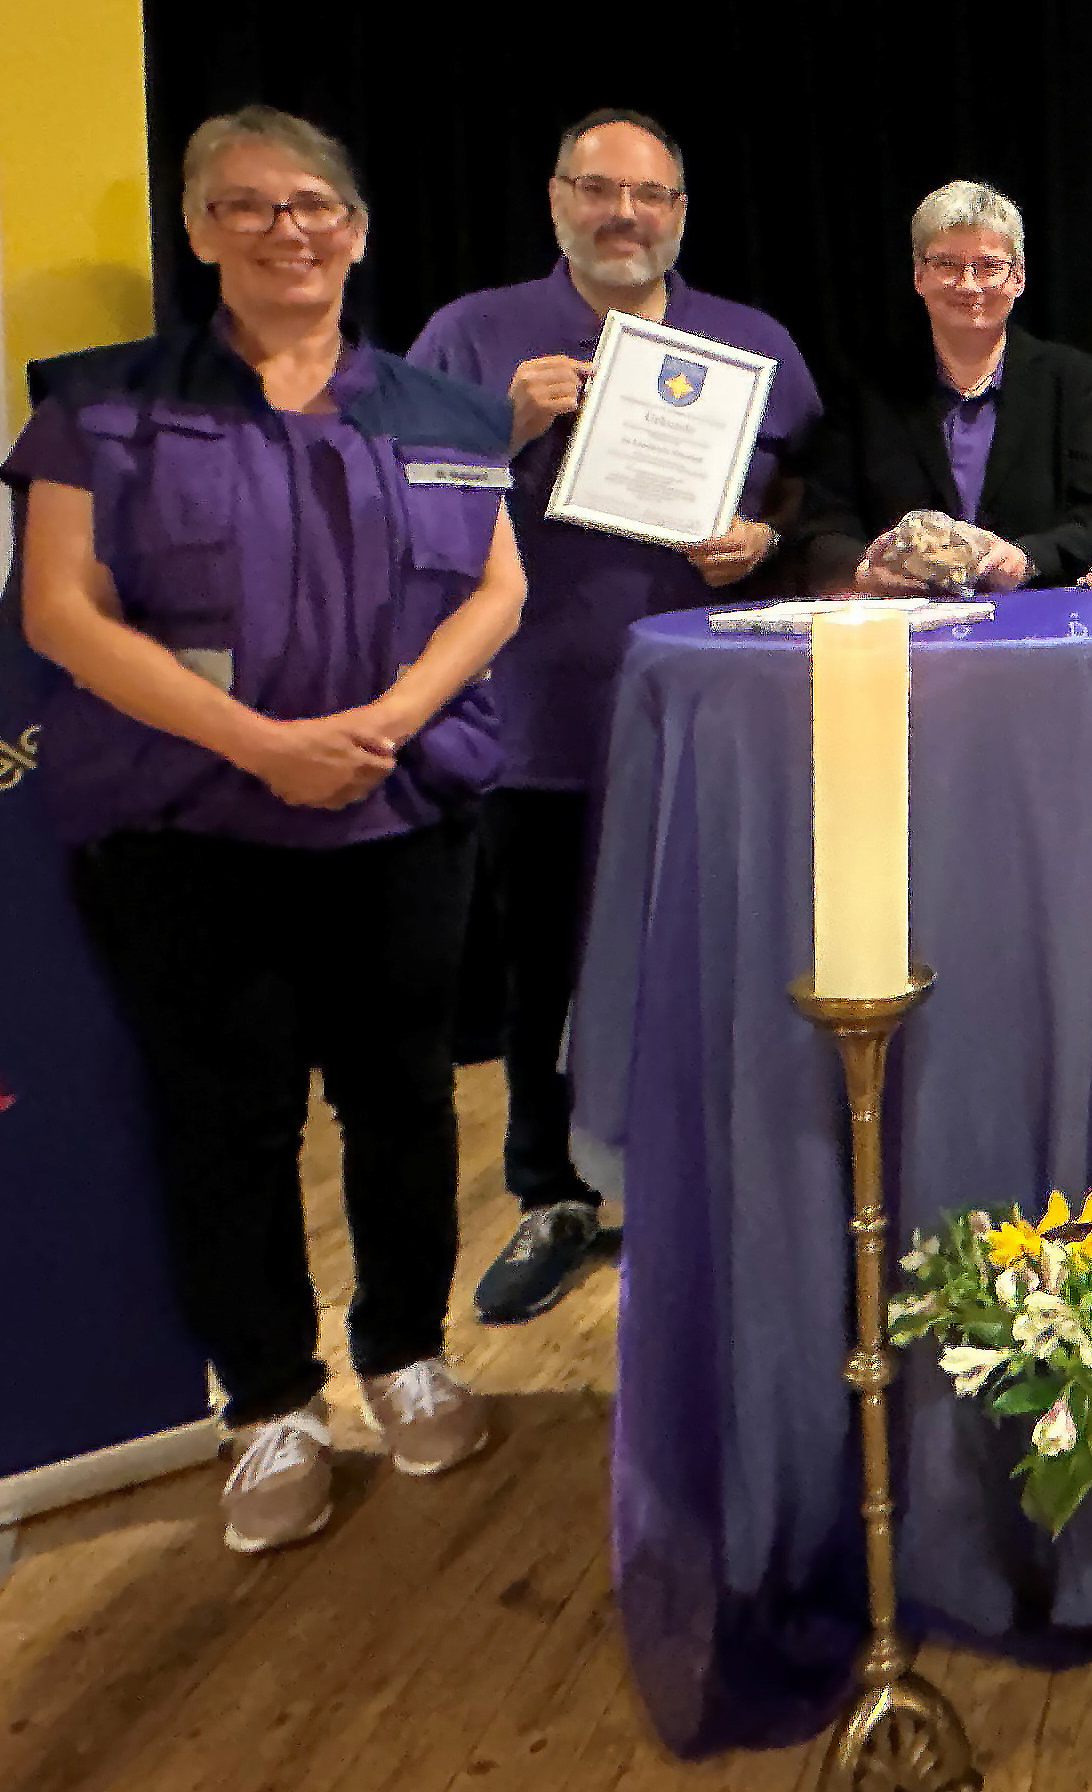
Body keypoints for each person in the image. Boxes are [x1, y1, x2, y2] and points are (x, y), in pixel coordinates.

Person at [8, 107, 524, 1554]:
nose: (285, 230)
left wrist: (387, 726)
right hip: (187, 831)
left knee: (405, 1101)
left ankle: (407, 1356)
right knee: (227, 1122)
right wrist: (263, 748)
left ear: (356, 231)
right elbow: (61, 610)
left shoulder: (444, 411)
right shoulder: (99, 406)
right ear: (197, 231)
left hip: (398, 817)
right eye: (247, 208)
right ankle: (272, 1405)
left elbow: (495, 591)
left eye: (311, 206)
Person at [408, 109, 822, 1327]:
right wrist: (507, 423)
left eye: (648, 196)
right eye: (599, 190)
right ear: (556, 201)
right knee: (546, 967)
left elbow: (803, 483)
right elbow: (391, 499)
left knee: (717, 952)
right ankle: (552, 1192)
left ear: (680, 212)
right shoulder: (473, 335)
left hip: (715, 715)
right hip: (541, 715)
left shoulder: (749, 342)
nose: (624, 214)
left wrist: (768, 537)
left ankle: (709, 1183)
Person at [789, 179, 1092, 593]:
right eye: (947, 265)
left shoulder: (1071, 382)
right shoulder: (865, 389)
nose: (969, 285)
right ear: (918, 276)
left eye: (989, 266)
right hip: (904, 632)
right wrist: (865, 572)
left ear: (1018, 279)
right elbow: (821, 524)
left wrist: (1028, 558)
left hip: (1035, 625)